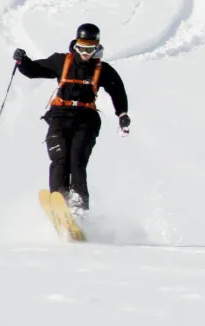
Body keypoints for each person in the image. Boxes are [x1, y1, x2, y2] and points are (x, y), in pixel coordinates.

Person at [13, 23, 129, 211]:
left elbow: (118, 91)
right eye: (81, 47)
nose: (85, 52)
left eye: (89, 49)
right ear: (75, 45)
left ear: (97, 47)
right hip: (59, 117)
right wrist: (22, 61)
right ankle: (59, 201)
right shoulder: (61, 61)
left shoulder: (103, 70)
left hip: (86, 120)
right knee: (60, 159)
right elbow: (34, 70)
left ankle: (78, 207)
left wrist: (122, 114)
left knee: (77, 161)